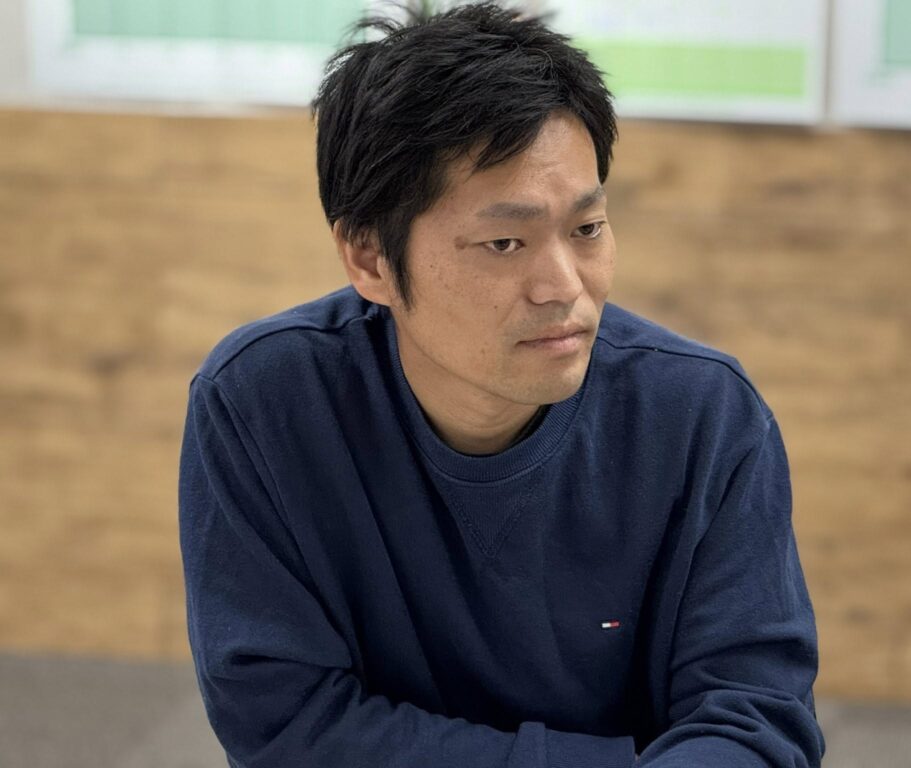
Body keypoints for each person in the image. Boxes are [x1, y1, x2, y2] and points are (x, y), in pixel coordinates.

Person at [178, 2, 826, 766]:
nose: (564, 287)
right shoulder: (262, 405)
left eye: (587, 229)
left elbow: (755, 722)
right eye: (505, 242)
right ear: (370, 259)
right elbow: (285, 726)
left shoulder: (702, 417)